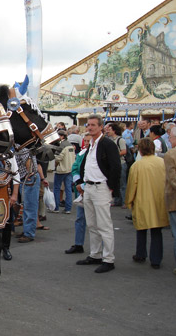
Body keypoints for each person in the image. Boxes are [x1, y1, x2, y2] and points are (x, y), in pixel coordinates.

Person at [75, 114, 121, 273]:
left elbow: (116, 166)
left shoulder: (107, 144)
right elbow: (86, 164)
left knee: (104, 225)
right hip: (89, 187)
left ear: (101, 127)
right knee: (92, 224)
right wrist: (81, 181)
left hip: (101, 187)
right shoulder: (91, 144)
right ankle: (95, 254)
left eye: (93, 125)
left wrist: (111, 187)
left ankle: (109, 259)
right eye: (88, 125)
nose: (90, 127)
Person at [125, 138, 168, 269]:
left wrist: (129, 201)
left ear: (140, 150)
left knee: (141, 229)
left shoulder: (137, 165)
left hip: (142, 200)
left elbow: (132, 185)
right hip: (159, 199)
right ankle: (156, 259)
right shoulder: (162, 162)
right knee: (156, 230)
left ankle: (141, 254)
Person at [14, 147, 48, 243]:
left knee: (29, 207)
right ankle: (27, 230)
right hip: (26, 178)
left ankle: (29, 233)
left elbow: (28, 160)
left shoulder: (20, 147)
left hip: (28, 178)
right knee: (27, 206)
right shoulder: (21, 146)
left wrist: (30, 173)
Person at [65, 133, 91, 254]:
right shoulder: (81, 154)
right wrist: (79, 184)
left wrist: (84, 185)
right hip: (81, 190)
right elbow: (75, 168)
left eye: (88, 141)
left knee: (96, 222)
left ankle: (100, 250)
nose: (86, 143)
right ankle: (78, 244)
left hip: (92, 188)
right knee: (80, 218)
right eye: (85, 141)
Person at [52, 130, 75, 214]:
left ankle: (56, 207)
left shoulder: (61, 145)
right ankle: (68, 208)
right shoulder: (70, 144)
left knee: (57, 188)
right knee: (68, 189)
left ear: (61, 136)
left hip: (61, 170)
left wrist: (53, 156)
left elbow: (58, 157)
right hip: (70, 169)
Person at [163, 126, 176, 275]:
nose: (170, 141)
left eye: (171, 138)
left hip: (173, 199)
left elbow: (172, 179)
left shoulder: (171, 154)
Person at [105, 122, 127, 207]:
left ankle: (124, 201)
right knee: (116, 183)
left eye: (109, 129)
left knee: (122, 183)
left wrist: (113, 155)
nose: (107, 131)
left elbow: (124, 151)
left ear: (114, 130)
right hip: (113, 164)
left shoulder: (120, 140)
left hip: (121, 163)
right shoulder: (110, 140)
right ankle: (118, 200)